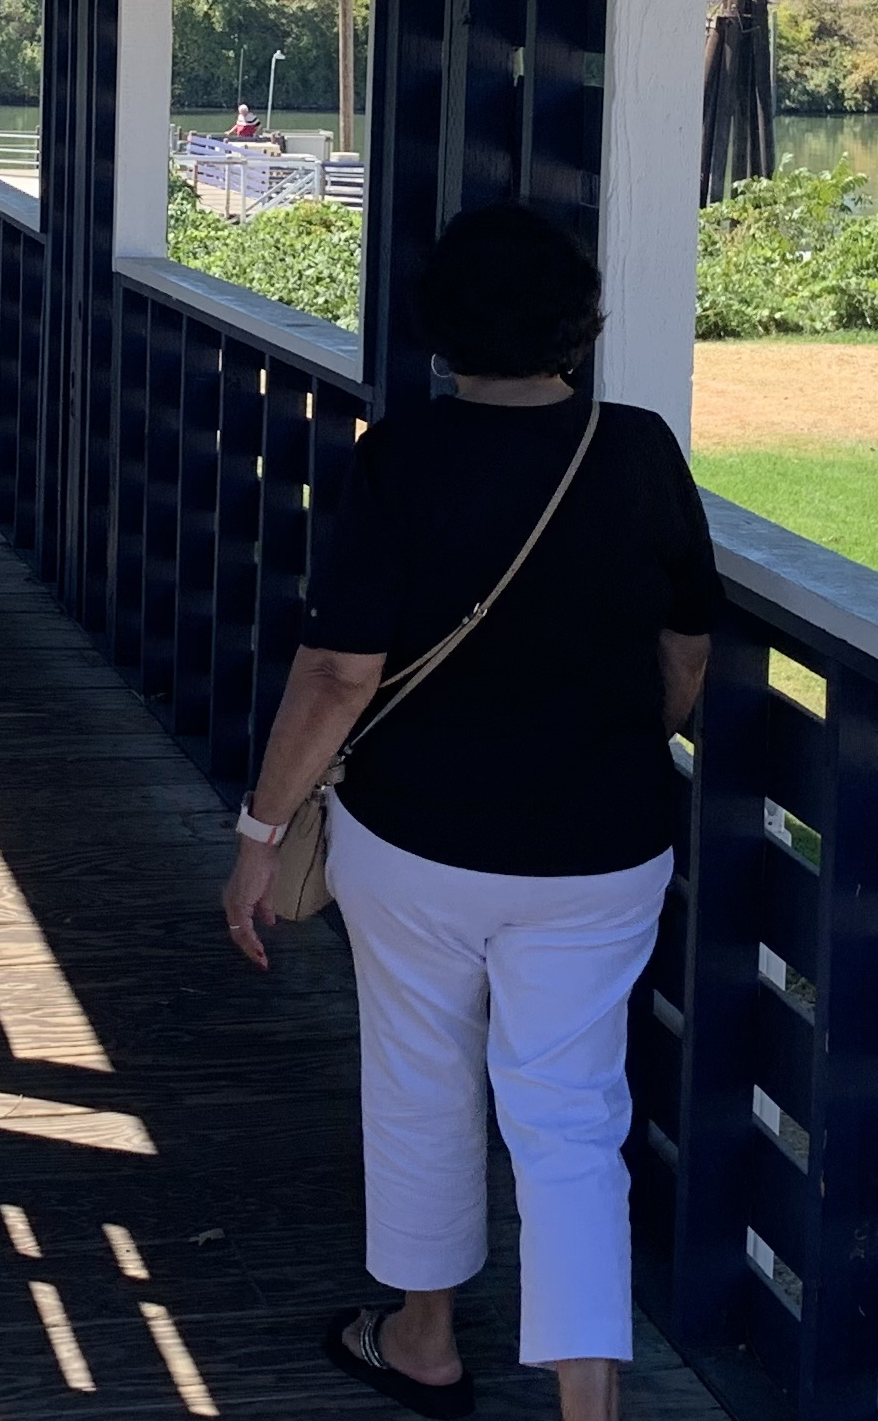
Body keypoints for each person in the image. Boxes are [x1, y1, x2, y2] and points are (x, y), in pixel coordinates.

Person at [221, 204, 715, 1421]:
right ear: (579, 324)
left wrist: (260, 836)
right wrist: (614, 744)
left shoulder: (403, 457)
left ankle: (424, 1339)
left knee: (420, 1079)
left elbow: (339, 673)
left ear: (441, 330)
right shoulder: (637, 449)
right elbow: (688, 647)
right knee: (571, 1116)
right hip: (601, 845)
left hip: (420, 841)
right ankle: (589, 1402)